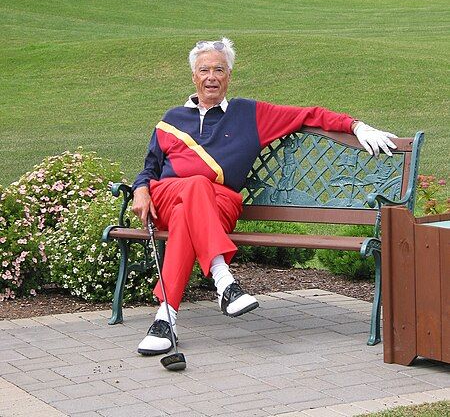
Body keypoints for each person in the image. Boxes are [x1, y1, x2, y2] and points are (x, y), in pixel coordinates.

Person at [132, 38, 397, 356]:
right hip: (169, 195)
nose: (211, 76)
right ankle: (222, 281)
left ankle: (166, 319)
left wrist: (356, 126)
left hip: (219, 205)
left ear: (229, 75)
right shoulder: (171, 119)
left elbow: (308, 115)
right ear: (194, 76)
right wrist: (141, 190)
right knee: (194, 186)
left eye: (219, 69)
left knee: (192, 202)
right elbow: (149, 168)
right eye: (204, 70)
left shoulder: (249, 114)